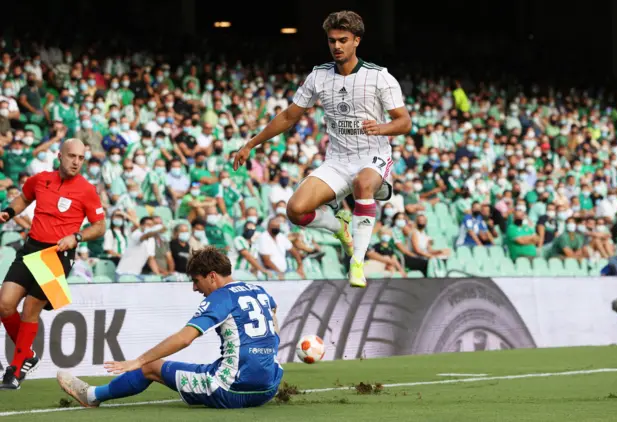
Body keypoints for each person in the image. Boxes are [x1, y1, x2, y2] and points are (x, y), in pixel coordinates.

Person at [233, 10, 411, 288]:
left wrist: (381, 128)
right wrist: (251, 143)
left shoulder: (380, 77)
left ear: (356, 41)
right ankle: (339, 226)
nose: (336, 46)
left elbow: (404, 122)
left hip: (373, 156)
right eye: (331, 41)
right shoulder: (319, 76)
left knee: (363, 183)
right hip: (338, 160)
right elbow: (289, 116)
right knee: (295, 210)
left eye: (343, 40)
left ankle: (357, 262)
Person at [57, 246, 283, 409]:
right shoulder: (259, 291)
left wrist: (139, 360)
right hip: (268, 388)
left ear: (212, 276)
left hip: (230, 390)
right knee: (212, 366)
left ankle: (91, 396)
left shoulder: (220, 297)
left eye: (196, 280)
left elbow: (185, 339)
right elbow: (273, 314)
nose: (195, 288)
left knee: (150, 366)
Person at [0, 138, 106, 389]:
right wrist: (9, 212)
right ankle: (27, 354)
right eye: (72, 156)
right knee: (4, 305)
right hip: (30, 249)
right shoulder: (40, 179)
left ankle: (14, 371)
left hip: (56, 256)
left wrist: (77, 236)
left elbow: (100, 226)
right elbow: (24, 199)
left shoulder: (87, 190)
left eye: (81, 158)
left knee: (30, 310)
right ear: (60, 156)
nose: (77, 162)